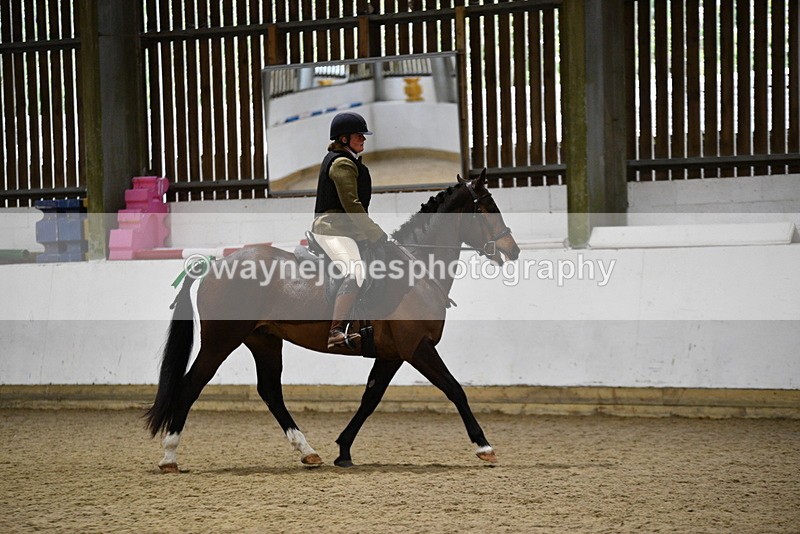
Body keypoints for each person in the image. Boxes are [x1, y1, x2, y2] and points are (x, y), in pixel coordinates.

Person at [311, 111, 388, 349]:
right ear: (344, 139)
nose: (363, 139)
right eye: (359, 136)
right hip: (331, 229)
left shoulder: (350, 160)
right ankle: (335, 330)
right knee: (355, 272)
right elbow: (352, 206)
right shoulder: (342, 163)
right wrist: (376, 234)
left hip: (345, 229)